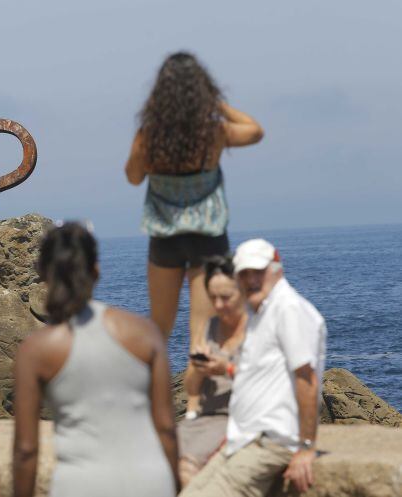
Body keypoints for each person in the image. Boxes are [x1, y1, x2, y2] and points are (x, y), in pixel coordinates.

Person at [13, 222, 178, 497]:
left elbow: (26, 450)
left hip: (80, 485)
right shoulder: (144, 333)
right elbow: (166, 427)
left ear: (43, 273)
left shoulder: (36, 350)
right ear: (96, 271)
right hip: (151, 482)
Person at [124, 51, 264, 348]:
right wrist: (218, 106)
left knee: (159, 329)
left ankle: (154, 393)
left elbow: (133, 177)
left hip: (165, 238)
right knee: (204, 335)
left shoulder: (148, 137)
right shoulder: (214, 133)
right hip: (208, 238)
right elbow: (255, 131)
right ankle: (198, 397)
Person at [180, 239, 327, 497]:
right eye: (244, 274)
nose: (251, 280)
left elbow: (307, 379)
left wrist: (306, 448)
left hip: (269, 441)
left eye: (257, 272)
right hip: (244, 439)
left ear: (276, 269)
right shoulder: (261, 313)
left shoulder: (288, 310)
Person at [178, 255, 246, 487]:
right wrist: (199, 369)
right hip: (203, 418)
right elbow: (191, 388)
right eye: (212, 298)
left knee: (187, 467)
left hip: (238, 419)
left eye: (225, 298)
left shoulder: (259, 329)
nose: (218, 306)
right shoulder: (211, 326)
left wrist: (225, 368)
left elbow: (267, 382)